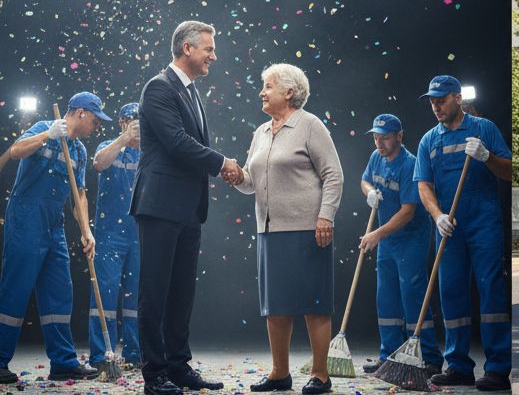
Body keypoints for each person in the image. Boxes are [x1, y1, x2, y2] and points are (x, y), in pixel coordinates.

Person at [131, 20, 243, 395]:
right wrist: (222, 162)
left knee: (181, 293)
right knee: (155, 291)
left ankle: (178, 367)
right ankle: (155, 374)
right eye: (209, 48)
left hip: (188, 208)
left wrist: (216, 163)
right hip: (160, 205)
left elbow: (187, 145)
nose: (214, 55)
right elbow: (177, 143)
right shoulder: (158, 88)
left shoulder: (193, 92)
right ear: (187, 49)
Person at [232, 63, 343, 395]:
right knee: (275, 305)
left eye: (268, 86)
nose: (262, 92)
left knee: (314, 303)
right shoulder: (262, 132)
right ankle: (280, 373)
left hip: (308, 229)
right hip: (269, 230)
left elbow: (333, 175)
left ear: (289, 92)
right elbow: (252, 182)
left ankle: (320, 375)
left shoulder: (310, 126)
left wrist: (325, 217)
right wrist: (238, 178)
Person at [0, 92, 110, 384]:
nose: (97, 127)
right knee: (16, 288)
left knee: (60, 292)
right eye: (96, 120)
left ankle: (62, 362)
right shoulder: (43, 128)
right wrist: (47, 135)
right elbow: (16, 151)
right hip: (25, 219)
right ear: (81, 113)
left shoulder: (79, 152)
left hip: (54, 225)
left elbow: (80, 197)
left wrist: (87, 232)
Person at [414, 75, 513, 392]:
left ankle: (497, 368)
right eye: (432, 101)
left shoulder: (484, 129)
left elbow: (510, 171)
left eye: (441, 100)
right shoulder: (429, 140)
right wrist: (437, 214)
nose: (436, 106)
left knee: (491, 291)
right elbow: (423, 185)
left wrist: (488, 157)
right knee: (451, 293)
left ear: (457, 98)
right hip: (449, 227)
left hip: (483, 221)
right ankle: (458, 366)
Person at [358, 114, 442, 376]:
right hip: (387, 240)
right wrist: (369, 191)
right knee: (386, 298)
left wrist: (376, 235)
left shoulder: (410, 165)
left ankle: (429, 357)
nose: (379, 143)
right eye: (376, 138)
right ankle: (389, 355)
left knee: (413, 298)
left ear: (399, 136)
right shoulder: (376, 157)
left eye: (384, 138)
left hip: (410, 239)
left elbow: (407, 212)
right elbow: (364, 180)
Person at [89, 102, 143, 370]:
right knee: (105, 295)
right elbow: (98, 164)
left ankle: (135, 354)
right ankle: (101, 356)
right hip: (110, 233)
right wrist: (124, 138)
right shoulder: (108, 146)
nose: (138, 127)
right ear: (122, 122)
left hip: (139, 235)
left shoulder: (148, 153)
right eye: (133, 121)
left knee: (136, 298)